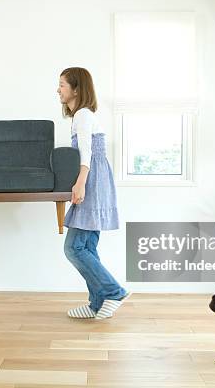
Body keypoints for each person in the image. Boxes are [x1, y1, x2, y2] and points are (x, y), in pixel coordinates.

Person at [57, 67, 130, 320]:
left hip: (91, 180)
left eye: (63, 85)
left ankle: (114, 291)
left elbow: (86, 152)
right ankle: (96, 302)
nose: (59, 90)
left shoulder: (83, 115)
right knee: (87, 245)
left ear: (76, 89)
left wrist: (80, 184)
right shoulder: (82, 116)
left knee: (74, 248)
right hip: (95, 179)